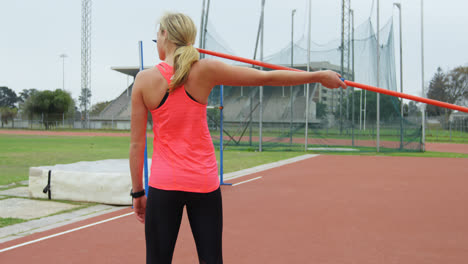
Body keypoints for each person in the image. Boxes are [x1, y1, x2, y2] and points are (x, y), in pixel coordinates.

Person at [129, 12, 346, 264]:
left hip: (164, 184)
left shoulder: (144, 80)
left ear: (165, 34)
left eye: (157, 35)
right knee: (212, 259)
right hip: (203, 181)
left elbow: (136, 144)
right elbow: (266, 78)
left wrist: (138, 193)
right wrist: (317, 76)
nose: (157, 39)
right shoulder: (205, 70)